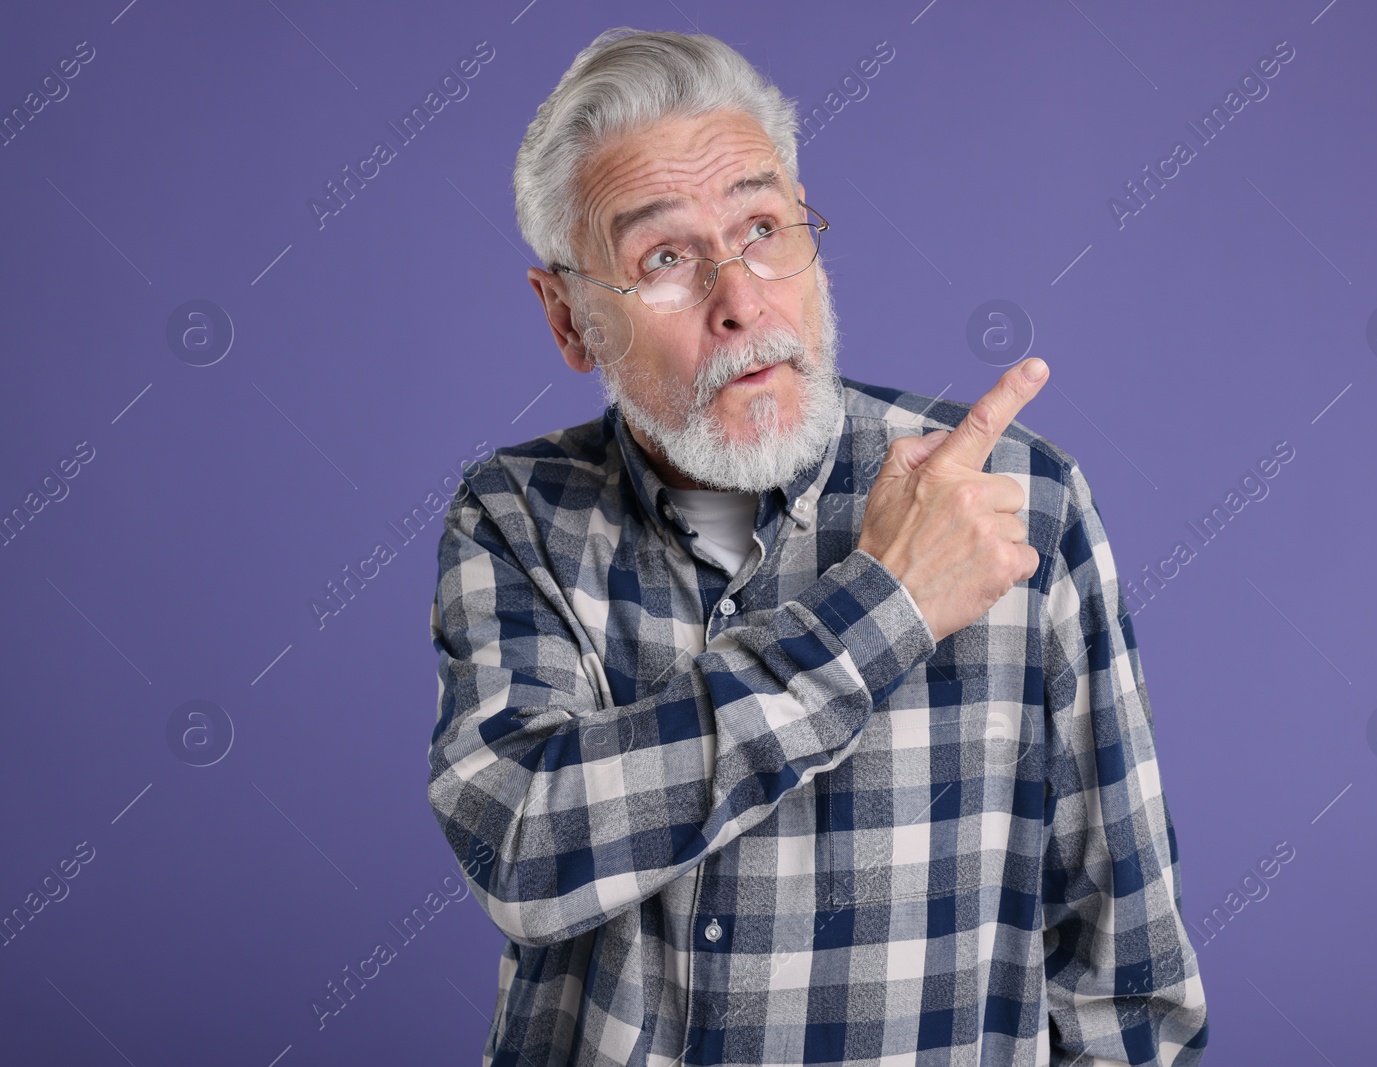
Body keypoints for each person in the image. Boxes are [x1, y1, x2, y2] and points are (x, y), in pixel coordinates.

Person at [427, 26, 1208, 1067]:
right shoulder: (516, 513)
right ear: (568, 316)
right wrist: (886, 606)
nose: (740, 299)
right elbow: (525, 846)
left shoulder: (1012, 503)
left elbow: (1128, 989)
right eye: (664, 257)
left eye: (761, 227)